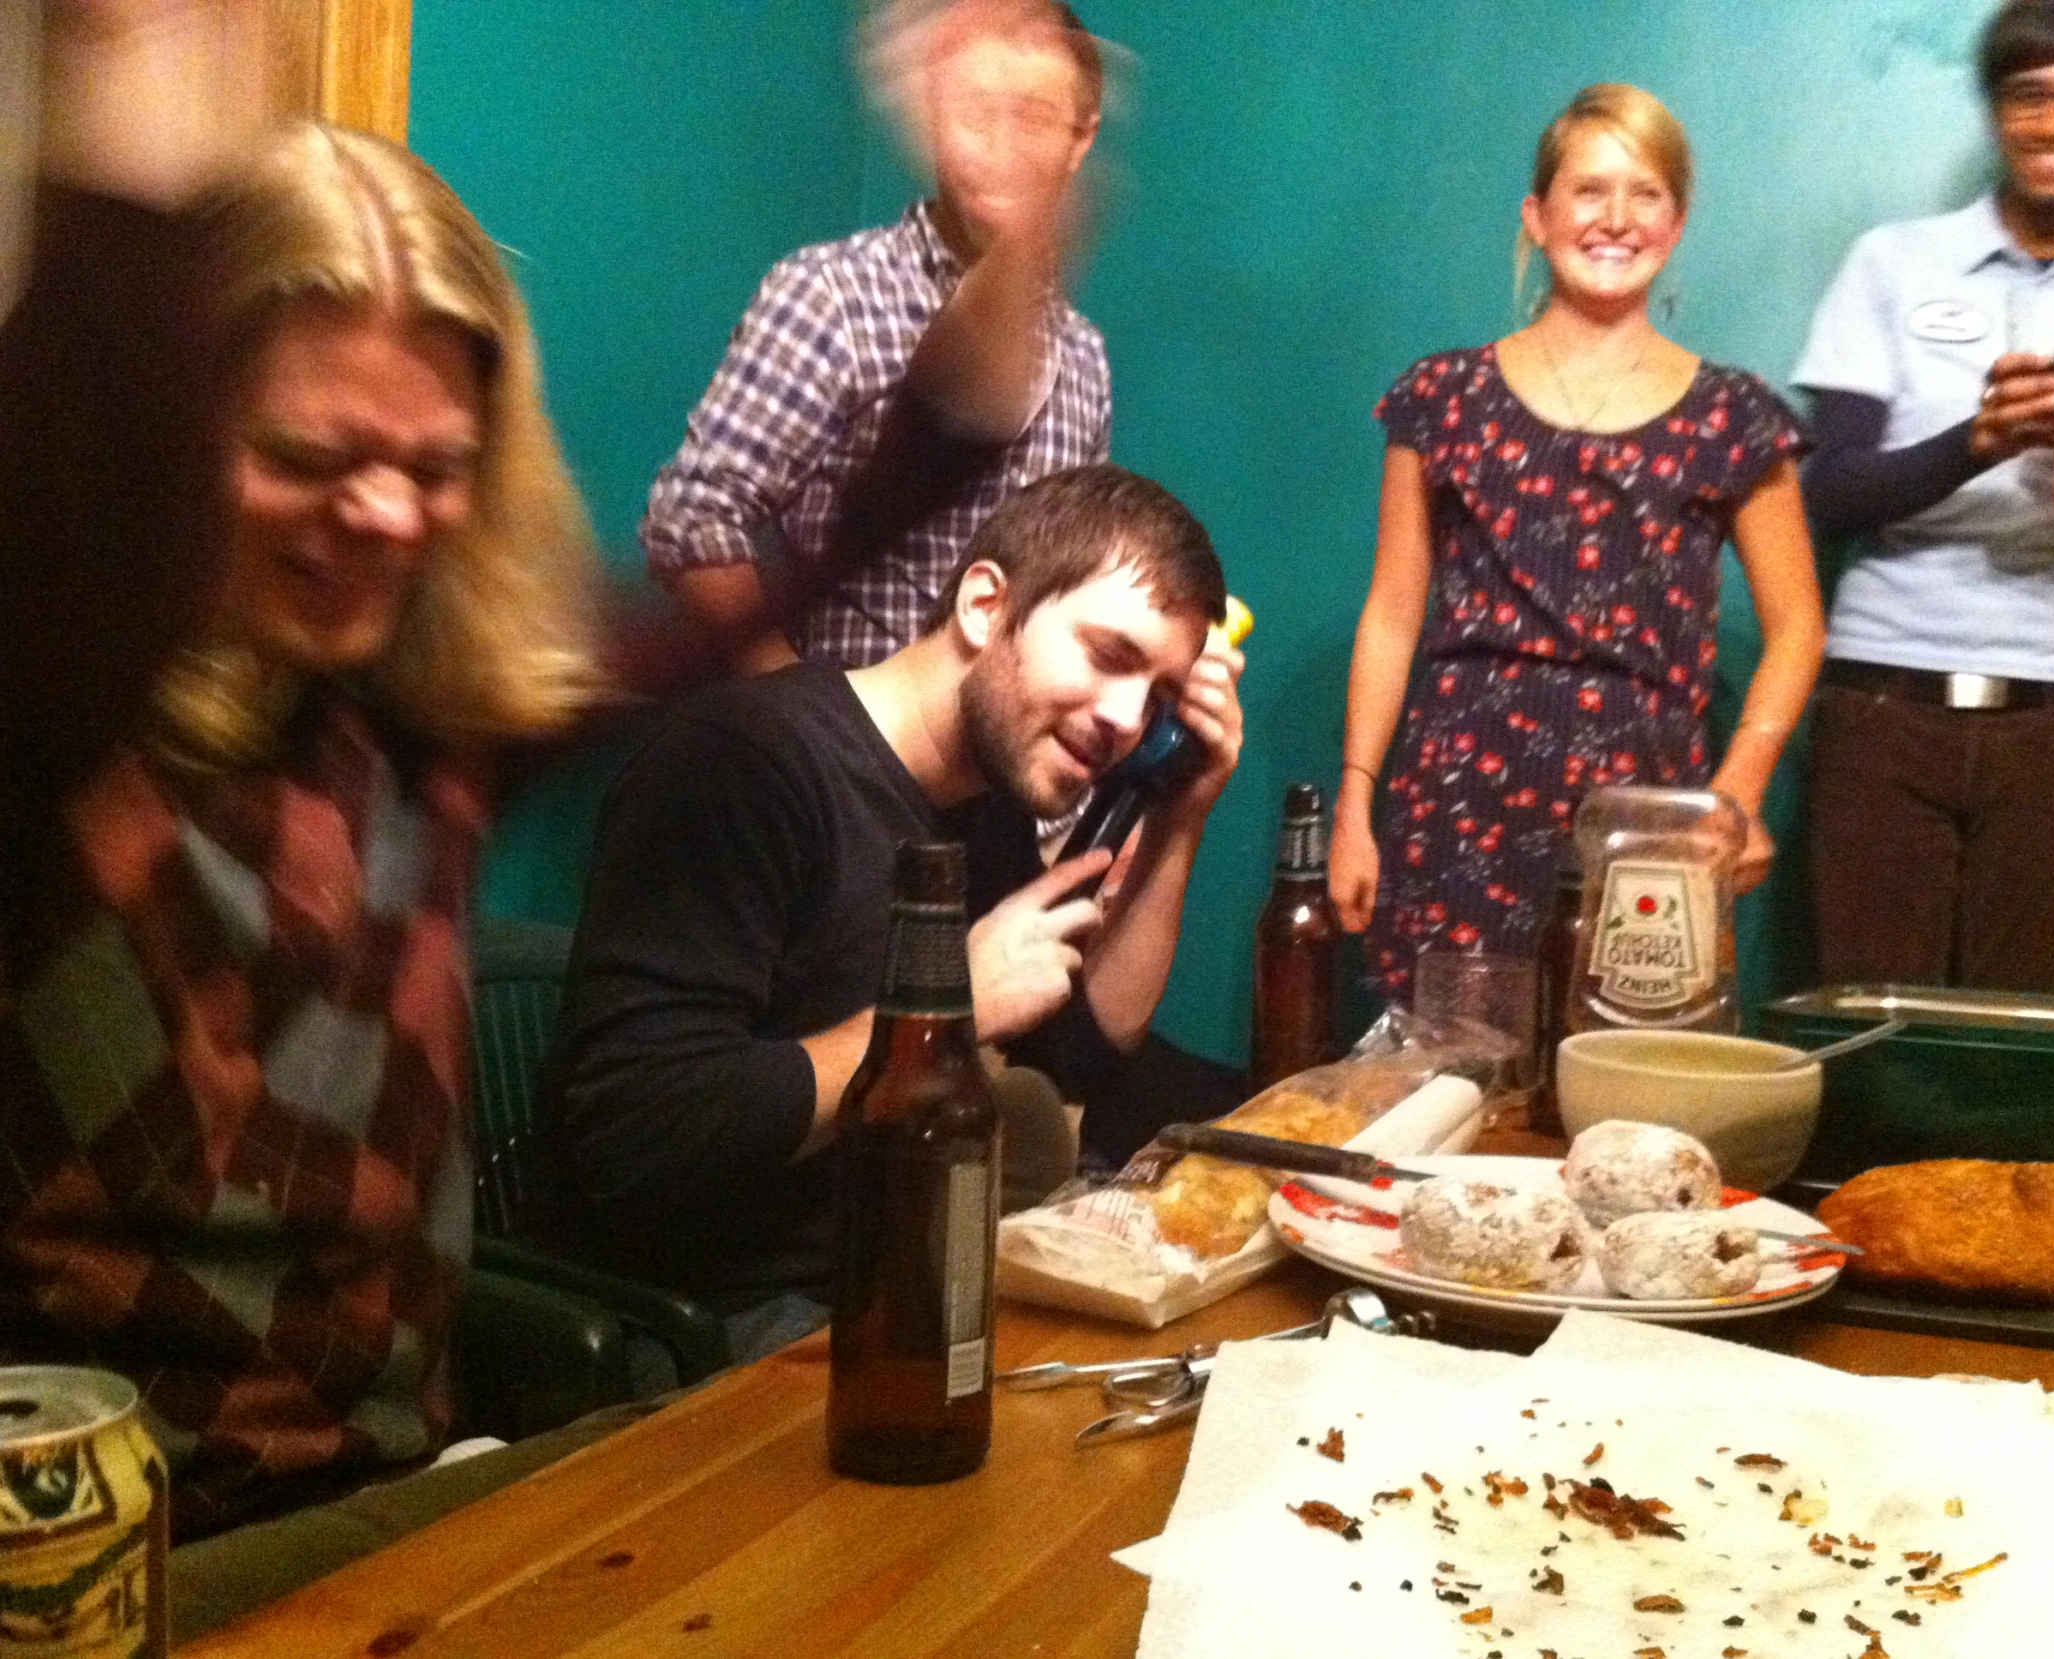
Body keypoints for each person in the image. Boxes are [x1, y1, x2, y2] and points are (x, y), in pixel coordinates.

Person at [0, 104, 604, 1547]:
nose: (388, 510)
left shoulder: (424, 742)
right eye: (309, 451)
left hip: (387, 1525)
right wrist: (121, 114)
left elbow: (726, 624)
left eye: (436, 465)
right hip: (111, 1566)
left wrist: (981, 339)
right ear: (172, 432)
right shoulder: (53, 740)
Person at [555, 464, 1242, 1360]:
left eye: (1156, 694)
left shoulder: (986, 806)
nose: (1124, 717)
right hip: (720, 1325)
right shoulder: (743, 761)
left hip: (904, 1281)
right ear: (985, 606)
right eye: (1109, 655)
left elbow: (1083, 1054)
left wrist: (1181, 810)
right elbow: (638, 1134)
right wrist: (941, 1004)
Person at [1327, 84, 1825, 997]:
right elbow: (1393, 612)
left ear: (1676, 224)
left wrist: (1738, 789)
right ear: (1538, 214)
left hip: (1644, 816)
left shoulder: (1732, 415)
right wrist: (1357, 799)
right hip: (1455, 800)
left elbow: (1797, 626)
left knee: (1625, 1091)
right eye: (1589, 190)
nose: (1615, 219)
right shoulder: (1442, 398)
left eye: (1645, 195)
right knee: (1444, 1081)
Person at [1795, 0, 2054, 995]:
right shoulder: (1890, 261)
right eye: (2029, 96)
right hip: (1881, 708)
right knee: (1867, 1029)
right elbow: (1822, 492)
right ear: (1994, 109)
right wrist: (1971, 443)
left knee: (2021, 1046)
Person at [642, 0, 1111, 673]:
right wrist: (802, 717)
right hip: (838, 752)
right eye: (975, 114)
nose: (1000, 150)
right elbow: (690, 520)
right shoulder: (831, 294)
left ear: (1081, 137)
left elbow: (1065, 568)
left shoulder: (1084, 358)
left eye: (1033, 118)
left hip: (998, 764)